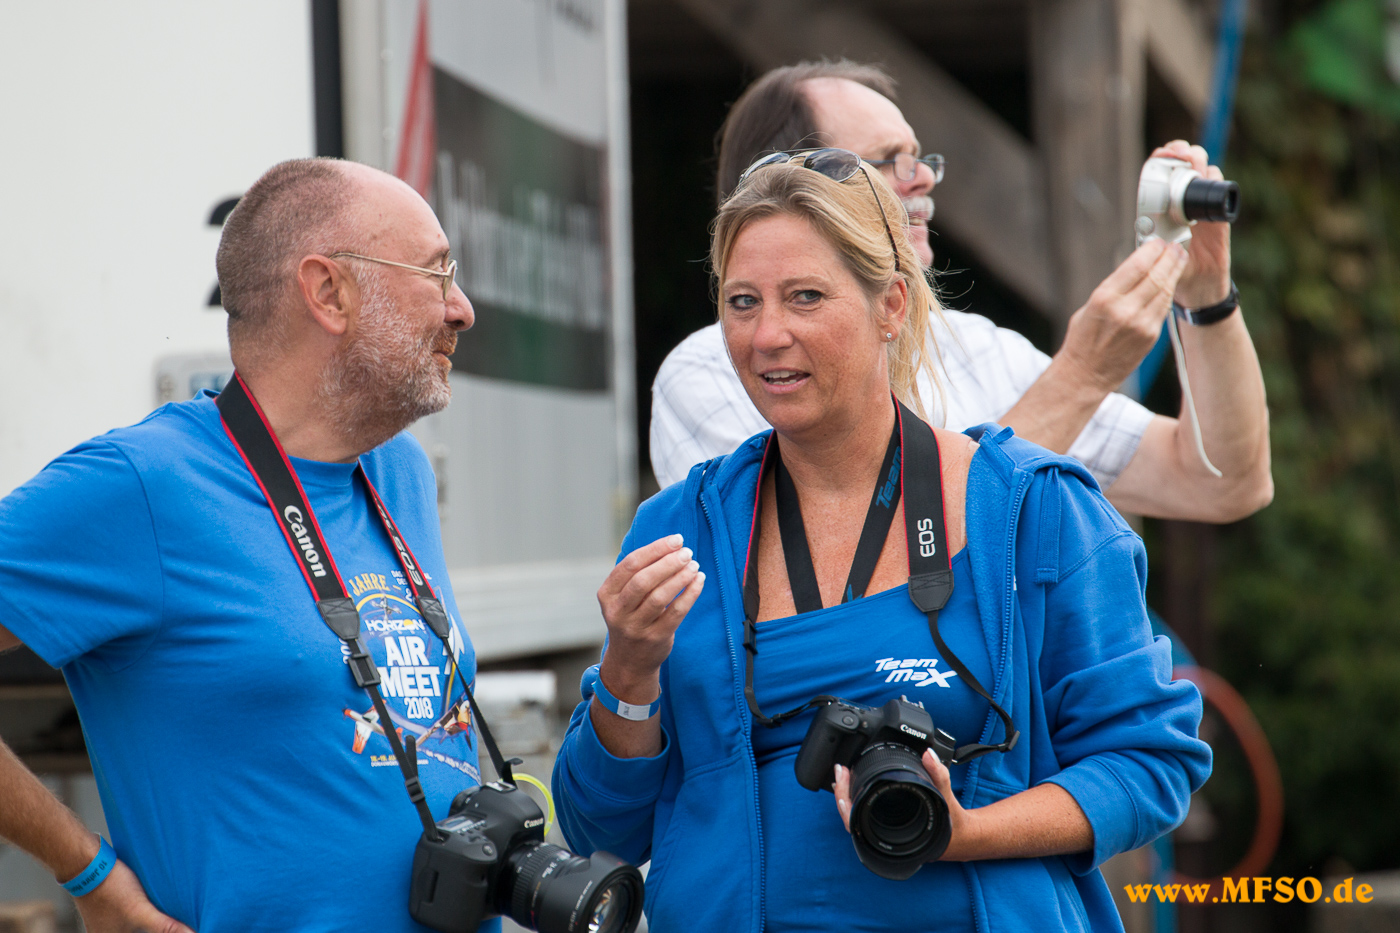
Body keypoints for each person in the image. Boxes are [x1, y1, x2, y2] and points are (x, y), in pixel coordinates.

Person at [554, 151, 1211, 932]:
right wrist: (629, 669)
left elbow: (1148, 762)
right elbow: (600, 828)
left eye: (805, 297)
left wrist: (967, 833)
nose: (767, 335)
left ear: (891, 305)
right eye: (741, 302)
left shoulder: (1031, 511)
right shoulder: (680, 528)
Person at [0, 159, 489, 932]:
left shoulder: (399, 471)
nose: (461, 309)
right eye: (436, 274)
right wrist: (87, 872)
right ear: (329, 292)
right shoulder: (144, 483)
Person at [650, 61, 1273, 523]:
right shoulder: (712, 370)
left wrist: (1207, 299)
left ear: (895, 307)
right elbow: (832, 577)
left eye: (920, 157)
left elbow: (1221, 484)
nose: (922, 177)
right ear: (790, 188)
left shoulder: (974, 348)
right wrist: (1080, 377)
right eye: (888, 160)